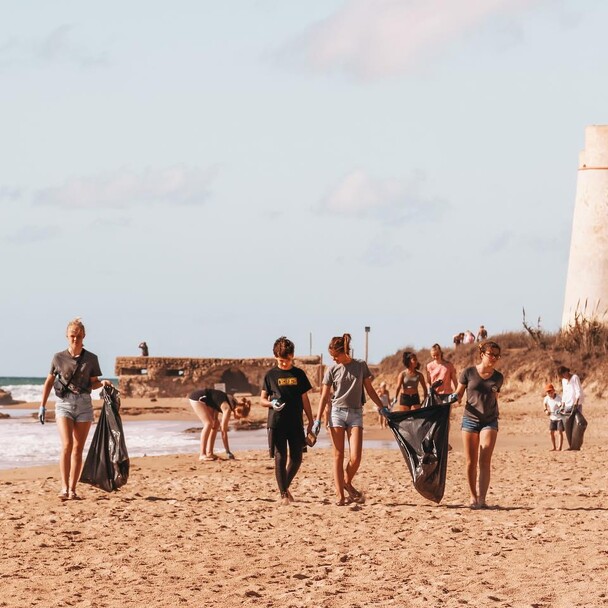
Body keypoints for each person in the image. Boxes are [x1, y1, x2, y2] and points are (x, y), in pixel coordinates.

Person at [39, 318, 112, 501]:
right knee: (67, 445)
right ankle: (63, 488)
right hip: (64, 404)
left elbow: (93, 383)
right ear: (67, 336)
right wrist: (42, 405)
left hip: (84, 405)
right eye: (72, 335)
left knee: (78, 448)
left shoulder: (91, 358)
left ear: (84, 336)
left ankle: (73, 489)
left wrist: (102, 383)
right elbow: (49, 381)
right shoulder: (58, 357)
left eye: (78, 336)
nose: (75, 339)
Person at [314, 333, 385, 506]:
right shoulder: (332, 370)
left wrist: (381, 407)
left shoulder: (360, 366)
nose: (334, 360)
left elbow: (369, 389)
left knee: (356, 457)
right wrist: (317, 420)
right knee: (338, 455)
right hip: (336, 413)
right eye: (331, 357)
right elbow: (324, 397)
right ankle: (340, 495)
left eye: (335, 356)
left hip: (355, 414)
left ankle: (346, 481)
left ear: (344, 351)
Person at [260, 337, 314, 506]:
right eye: (280, 361)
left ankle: (284, 487)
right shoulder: (270, 375)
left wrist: (311, 421)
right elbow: (262, 399)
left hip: (296, 423)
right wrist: (271, 403)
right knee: (280, 456)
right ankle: (283, 494)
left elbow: (305, 399)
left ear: (293, 356)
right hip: (276, 422)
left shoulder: (299, 374)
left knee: (297, 458)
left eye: (287, 360)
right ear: (275, 357)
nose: (284, 364)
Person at [454, 340, 504, 509]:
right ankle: (473, 496)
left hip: (489, 420)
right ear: (482, 354)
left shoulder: (498, 377)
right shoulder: (468, 372)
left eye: (497, 356)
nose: (494, 358)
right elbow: (458, 394)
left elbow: (495, 397)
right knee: (470, 461)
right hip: (469, 420)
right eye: (491, 354)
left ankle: (482, 498)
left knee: (485, 458)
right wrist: (453, 401)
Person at [188, 388, 244, 460]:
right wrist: (228, 451)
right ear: (238, 411)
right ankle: (202, 454)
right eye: (240, 417)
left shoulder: (231, 402)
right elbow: (223, 431)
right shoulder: (228, 409)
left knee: (215, 424)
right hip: (198, 397)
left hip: (208, 400)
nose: (238, 419)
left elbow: (216, 403)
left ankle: (209, 453)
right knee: (208, 423)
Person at [543, 383, 564, 451]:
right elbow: (544, 404)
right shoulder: (546, 398)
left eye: (550, 391)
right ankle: (554, 447)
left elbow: (561, 406)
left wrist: (559, 410)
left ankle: (559, 447)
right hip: (552, 418)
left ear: (553, 391)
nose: (549, 393)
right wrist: (546, 410)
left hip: (559, 418)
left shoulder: (558, 398)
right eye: (548, 392)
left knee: (560, 432)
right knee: (551, 432)